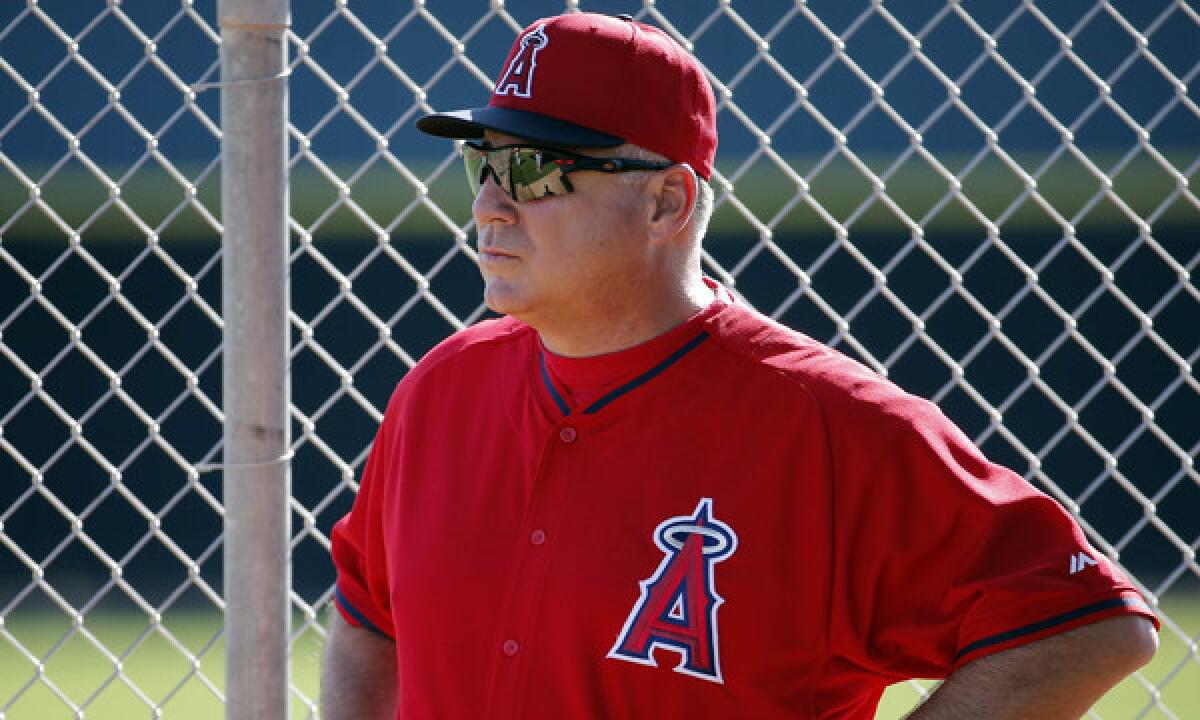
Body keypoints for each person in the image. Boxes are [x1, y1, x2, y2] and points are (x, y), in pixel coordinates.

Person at [320, 11, 1157, 719]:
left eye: (536, 170)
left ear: (665, 202)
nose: (489, 204)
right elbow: (367, 614)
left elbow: (1088, 624)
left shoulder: (832, 424)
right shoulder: (439, 391)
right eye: (483, 162)